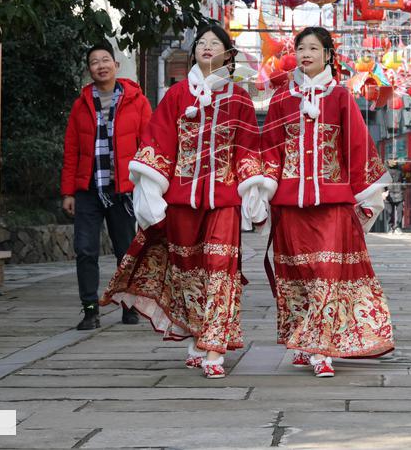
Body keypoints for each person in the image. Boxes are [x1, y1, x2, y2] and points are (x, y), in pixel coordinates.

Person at [100, 24, 268, 379]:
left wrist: (253, 189)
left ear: (228, 54)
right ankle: (196, 335)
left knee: (220, 269)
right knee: (187, 271)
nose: (207, 47)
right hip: (181, 201)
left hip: (224, 199)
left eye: (215, 43)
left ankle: (215, 348)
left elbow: (248, 148)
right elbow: (158, 142)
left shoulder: (239, 98)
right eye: (201, 43)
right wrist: (151, 194)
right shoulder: (177, 95)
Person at [258, 26, 394, 377]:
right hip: (290, 205)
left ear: (328, 55)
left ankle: (321, 349)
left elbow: (358, 147)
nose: (306, 54)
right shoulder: (281, 100)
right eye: (301, 48)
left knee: (326, 274)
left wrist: (366, 195)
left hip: (333, 205)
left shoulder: (340, 97)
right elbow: (270, 150)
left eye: (314, 48)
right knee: (299, 274)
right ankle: (304, 340)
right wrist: (261, 189)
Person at [61, 42, 152, 331]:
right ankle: (90, 309)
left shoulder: (137, 101)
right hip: (88, 189)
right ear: (89, 70)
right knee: (85, 250)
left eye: (105, 60)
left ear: (116, 65)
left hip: (122, 190)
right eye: (94, 62)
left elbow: (148, 145)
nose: (100, 65)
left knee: (126, 251)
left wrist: (147, 185)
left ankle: (129, 305)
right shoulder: (81, 105)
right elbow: (71, 150)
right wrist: (68, 192)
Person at [384, 162, 405, 234]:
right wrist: (383, 191)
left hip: (399, 192)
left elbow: (403, 179)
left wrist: (403, 187)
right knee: (389, 212)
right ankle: (390, 227)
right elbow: (382, 181)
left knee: (400, 212)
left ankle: (398, 227)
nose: (394, 160)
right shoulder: (384, 168)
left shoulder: (400, 168)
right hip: (388, 193)